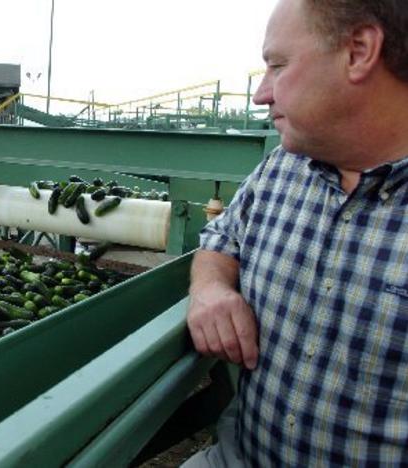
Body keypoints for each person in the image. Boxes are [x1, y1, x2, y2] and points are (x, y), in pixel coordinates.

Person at [183, 0, 408, 466]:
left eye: (278, 65)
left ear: (359, 51)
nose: (261, 95)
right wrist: (209, 290)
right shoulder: (283, 167)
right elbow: (220, 240)